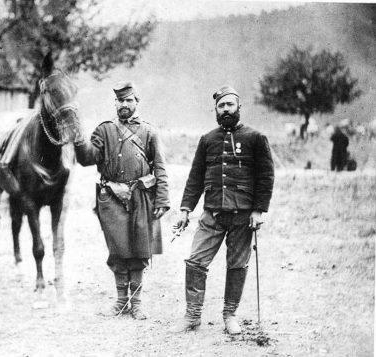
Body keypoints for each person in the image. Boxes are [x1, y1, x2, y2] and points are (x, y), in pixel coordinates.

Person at [169, 85, 274, 334]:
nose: (226, 109)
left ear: (239, 107)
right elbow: (195, 178)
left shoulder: (255, 138)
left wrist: (258, 210)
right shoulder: (207, 140)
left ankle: (230, 316)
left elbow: (266, 177)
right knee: (195, 262)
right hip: (212, 214)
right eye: (221, 106)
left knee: (237, 265)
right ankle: (193, 315)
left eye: (230, 105)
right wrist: (185, 209)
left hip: (243, 216)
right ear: (215, 110)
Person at [74, 81, 170, 320]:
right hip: (112, 197)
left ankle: (136, 303)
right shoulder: (104, 130)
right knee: (118, 249)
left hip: (141, 197)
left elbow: (160, 167)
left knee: (139, 250)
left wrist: (163, 200)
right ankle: (120, 301)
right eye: (120, 100)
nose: (124, 104)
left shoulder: (149, 132)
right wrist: (77, 139)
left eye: (129, 100)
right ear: (115, 103)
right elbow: (87, 159)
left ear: (137, 102)